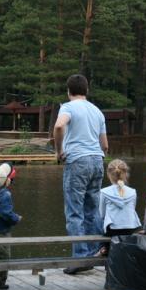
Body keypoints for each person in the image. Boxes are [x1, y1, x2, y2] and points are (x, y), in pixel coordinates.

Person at [53, 74, 108, 274]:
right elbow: (105, 145)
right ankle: (96, 253)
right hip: (97, 160)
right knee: (93, 210)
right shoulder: (97, 111)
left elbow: (59, 125)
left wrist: (59, 151)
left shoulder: (68, 107)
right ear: (87, 90)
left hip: (77, 161)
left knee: (74, 211)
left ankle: (79, 259)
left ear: (69, 91)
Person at [97, 159, 141, 256]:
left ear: (109, 174)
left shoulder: (104, 192)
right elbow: (132, 210)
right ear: (125, 173)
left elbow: (101, 214)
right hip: (130, 228)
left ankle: (103, 249)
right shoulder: (132, 192)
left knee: (100, 223)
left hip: (113, 229)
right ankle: (105, 249)